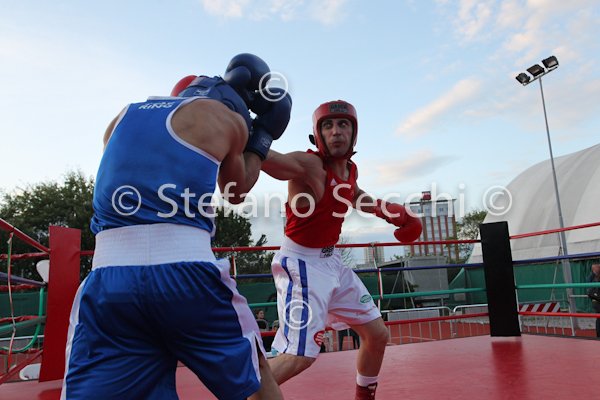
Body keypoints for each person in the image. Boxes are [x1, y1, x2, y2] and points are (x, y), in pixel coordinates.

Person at [60, 53, 292, 400]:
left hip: (109, 279)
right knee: (254, 377)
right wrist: (261, 138)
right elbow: (236, 190)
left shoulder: (121, 116)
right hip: (186, 275)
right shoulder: (227, 119)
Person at [261, 100, 422, 399]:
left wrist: (391, 212)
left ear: (354, 132)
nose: (336, 131)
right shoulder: (309, 165)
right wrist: (250, 133)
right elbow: (270, 160)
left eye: (343, 124)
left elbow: (353, 194)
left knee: (377, 335)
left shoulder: (349, 170)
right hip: (301, 265)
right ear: (318, 134)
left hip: (332, 262)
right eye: (328, 125)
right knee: (298, 357)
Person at [587, 263, 600, 337]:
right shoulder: (593, 277)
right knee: (599, 318)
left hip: (595, 299)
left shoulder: (594, 277)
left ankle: (598, 334)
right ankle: (598, 334)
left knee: (598, 318)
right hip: (597, 300)